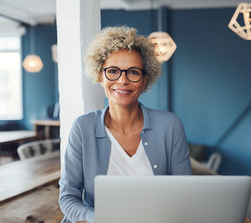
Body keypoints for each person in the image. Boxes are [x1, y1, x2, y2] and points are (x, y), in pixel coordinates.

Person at [58, 26, 192, 223]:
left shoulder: (170, 126)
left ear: (144, 80)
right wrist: (98, 218)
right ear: (100, 76)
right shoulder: (82, 127)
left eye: (133, 72)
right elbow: (68, 196)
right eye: (112, 71)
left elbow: (185, 194)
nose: (122, 80)